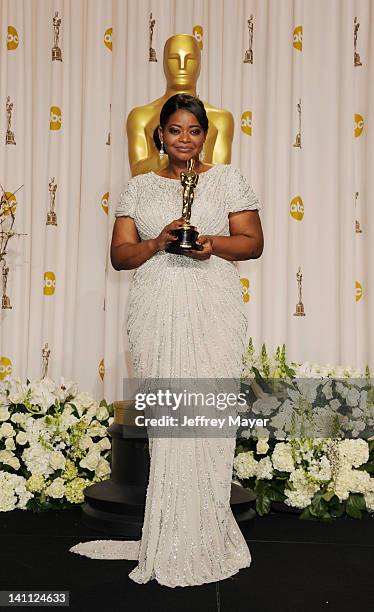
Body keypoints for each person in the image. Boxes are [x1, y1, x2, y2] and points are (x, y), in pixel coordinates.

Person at [70, 94, 264, 588]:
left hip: (214, 305)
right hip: (156, 307)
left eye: (193, 131)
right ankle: (170, 535)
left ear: (205, 135)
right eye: (175, 130)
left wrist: (210, 245)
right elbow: (120, 257)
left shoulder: (227, 180)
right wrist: (159, 241)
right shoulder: (137, 188)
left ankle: (205, 531)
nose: (184, 139)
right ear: (160, 134)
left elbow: (253, 243)